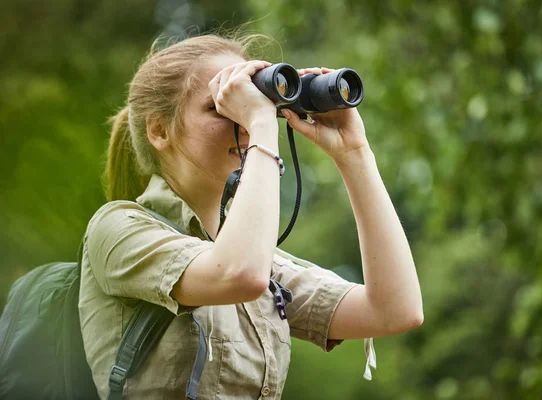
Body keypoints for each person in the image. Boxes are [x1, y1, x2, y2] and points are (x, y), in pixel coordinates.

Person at [79, 33, 424, 399]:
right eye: (221, 106)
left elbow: (393, 311)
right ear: (159, 130)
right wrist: (261, 123)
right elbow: (239, 274)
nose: (243, 121)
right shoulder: (117, 229)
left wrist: (354, 154)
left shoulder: (261, 263)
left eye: (251, 103)